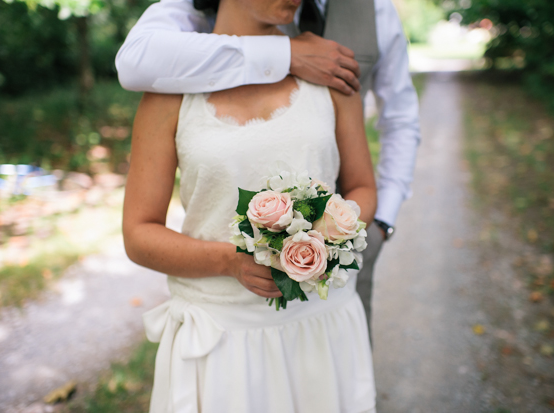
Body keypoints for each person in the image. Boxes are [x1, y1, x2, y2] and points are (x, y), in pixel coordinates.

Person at [122, 0, 378, 410]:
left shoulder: (329, 73)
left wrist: (324, 240)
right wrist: (230, 261)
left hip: (321, 329)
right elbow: (138, 235)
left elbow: (363, 187)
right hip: (223, 340)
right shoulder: (169, 92)